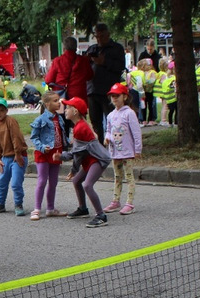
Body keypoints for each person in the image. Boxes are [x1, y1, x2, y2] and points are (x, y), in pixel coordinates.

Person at [61, 97, 110, 228]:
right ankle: (83, 209)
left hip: (97, 160)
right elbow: (79, 152)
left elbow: (76, 154)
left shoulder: (80, 128)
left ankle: (101, 216)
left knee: (87, 185)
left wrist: (66, 163)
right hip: (90, 160)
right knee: (77, 181)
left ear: (75, 111)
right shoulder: (79, 125)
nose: (65, 110)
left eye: (67, 108)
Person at [0, 97, 28, 216]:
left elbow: (16, 138)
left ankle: (18, 204)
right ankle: (0, 204)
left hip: (17, 156)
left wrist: (18, 154)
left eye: (1, 110)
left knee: (15, 183)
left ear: (6, 111)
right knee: (2, 182)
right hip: (5, 158)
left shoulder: (11, 121)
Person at [103, 83, 141, 216]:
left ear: (124, 96)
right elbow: (108, 130)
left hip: (128, 151)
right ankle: (115, 200)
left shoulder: (129, 113)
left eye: (117, 96)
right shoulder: (110, 115)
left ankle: (129, 203)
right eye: (112, 96)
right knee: (117, 176)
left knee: (129, 177)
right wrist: (107, 138)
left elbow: (136, 133)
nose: (114, 99)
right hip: (115, 152)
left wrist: (137, 150)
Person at [29, 91, 68, 219]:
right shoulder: (40, 119)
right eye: (55, 101)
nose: (59, 103)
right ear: (47, 104)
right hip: (43, 154)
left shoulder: (60, 118)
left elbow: (61, 135)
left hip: (56, 153)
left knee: (53, 182)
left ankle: (50, 208)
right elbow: (34, 137)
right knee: (42, 180)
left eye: (58, 100)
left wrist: (67, 144)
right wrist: (41, 147)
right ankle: (37, 209)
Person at [85, 23, 127, 140]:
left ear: (108, 35)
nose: (99, 39)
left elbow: (120, 67)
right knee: (95, 121)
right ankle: (99, 145)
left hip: (108, 91)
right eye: (97, 37)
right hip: (92, 90)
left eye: (102, 36)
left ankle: (115, 142)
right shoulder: (92, 48)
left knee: (112, 119)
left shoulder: (117, 48)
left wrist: (104, 62)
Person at [44, 36, 91, 103]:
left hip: (61, 96)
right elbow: (90, 76)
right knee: (79, 113)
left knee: (62, 113)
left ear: (64, 48)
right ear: (76, 48)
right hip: (79, 96)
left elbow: (48, 80)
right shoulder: (83, 61)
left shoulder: (58, 61)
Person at [154, 60, 177, 126]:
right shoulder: (164, 75)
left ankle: (163, 119)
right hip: (165, 93)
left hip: (161, 92)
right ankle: (163, 120)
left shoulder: (160, 73)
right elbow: (164, 83)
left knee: (165, 106)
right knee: (165, 106)